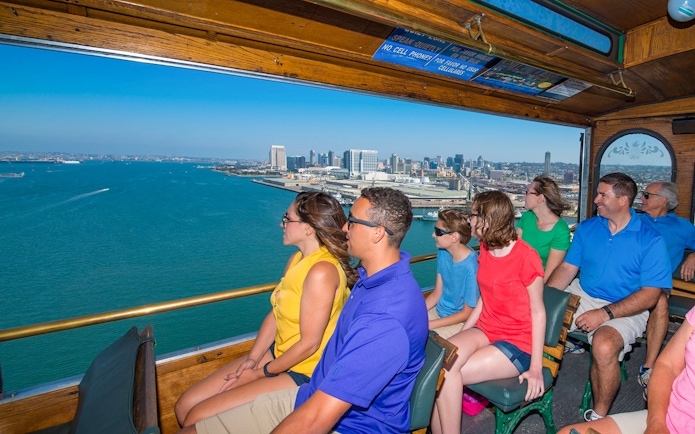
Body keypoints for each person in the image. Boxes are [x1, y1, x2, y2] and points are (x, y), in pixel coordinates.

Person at [178, 187, 428, 434]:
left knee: (197, 417)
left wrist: (261, 373)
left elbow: (317, 417)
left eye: (352, 221)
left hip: (349, 423)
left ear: (377, 234)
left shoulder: (384, 318)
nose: (344, 228)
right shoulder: (371, 280)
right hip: (312, 394)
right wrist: (255, 363)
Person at [175, 191, 357, 427]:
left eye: (287, 218)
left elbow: (309, 344)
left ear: (309, 228)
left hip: (305, 370)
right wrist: (252, 359)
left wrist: (261, 373)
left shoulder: (322, 271)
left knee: (197, 418)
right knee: (185, 405)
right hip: (280, 354)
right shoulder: (296, 260)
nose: (281, 223)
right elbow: (276, 314)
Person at [546, 172, 672, 422]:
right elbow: (568, 269)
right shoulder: (588, 228)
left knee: (604, 346)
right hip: (584, 293)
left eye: (603, 195)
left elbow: (650, 295)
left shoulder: (651, 239)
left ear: (623, 200)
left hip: (628, 306)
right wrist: (545, 300)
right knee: (535, 319)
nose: (596, 200)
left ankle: (599, 416)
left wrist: (604, 314)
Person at [430, 190, 546, 434]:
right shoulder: (485, 248)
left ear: (487, 220)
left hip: (516, 342)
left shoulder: (526, 258)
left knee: (448, 373)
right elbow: (484, 297)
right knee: (437, 365)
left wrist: (536, 367)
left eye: (472, 215)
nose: (469, 221)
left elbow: (538, 312)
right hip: (486, 328)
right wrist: (464, 332)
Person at [556, 305, 695, 434]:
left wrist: (605, 313)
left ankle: (599, 413)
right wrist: (656, 423)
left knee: (605, 345)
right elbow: (668, 365)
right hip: (668, 416)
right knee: (567, 432)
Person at [637, 181, 695, 398]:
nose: (641, 198)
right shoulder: (634, 220)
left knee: (660, 299)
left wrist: (693, 254)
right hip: (626, 280)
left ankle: (649, 367)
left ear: (663, 200)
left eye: (646, 195)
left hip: (655, 284)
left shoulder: (682, 227)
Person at [425, 208, 480, 339]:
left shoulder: (471, 266)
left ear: (454, 236)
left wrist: (429, 324)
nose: (433, 235)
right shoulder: (443, 252)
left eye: (438, 232)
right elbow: (437, 292)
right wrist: (417, 311)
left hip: (458, 322)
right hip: (438, 312)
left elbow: (466, 313)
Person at [517, 175, 572, 283]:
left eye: (528, 192)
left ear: (541, 198)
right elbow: (514, 252)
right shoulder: (527, 217)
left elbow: (549, 274)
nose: (524, 196)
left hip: (537, 283)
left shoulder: (560, 230)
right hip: (517, 276)